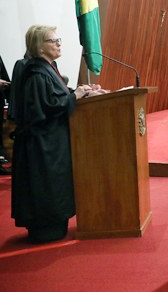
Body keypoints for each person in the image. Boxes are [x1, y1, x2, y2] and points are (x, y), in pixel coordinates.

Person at [12, 25, 105, 243]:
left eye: (58, 39)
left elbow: (56, 97)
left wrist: (84, 92)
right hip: (42, 147)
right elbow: (44, 108)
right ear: (40, 47)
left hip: (53, 142)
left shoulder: (49, 68)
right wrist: (75, 96)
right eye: (53, 40)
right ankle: (46, 229)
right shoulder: (36, 73)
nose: (58, 43)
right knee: (46, 186)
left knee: (56, 185)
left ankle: (55, 224)